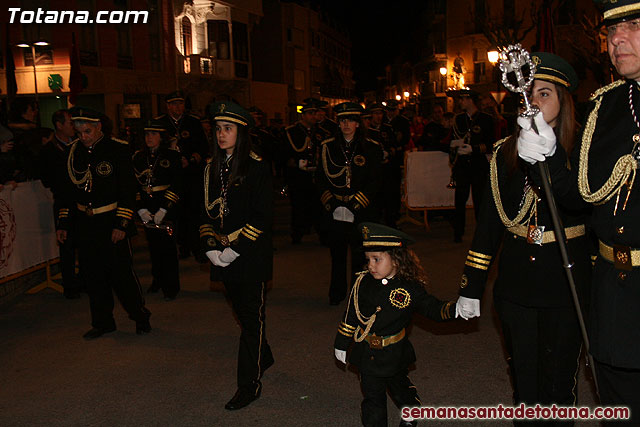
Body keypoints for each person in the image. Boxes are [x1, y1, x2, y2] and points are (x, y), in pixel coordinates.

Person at [517, 3, 640, 422]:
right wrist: (547, 156)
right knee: (618, 401)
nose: (616, 40)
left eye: (633, 26)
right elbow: (580, 198)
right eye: (611, 31)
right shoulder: (605, 107)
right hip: (612, 287)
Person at [456, 53, 591, 419]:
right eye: (527, 95)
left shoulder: (582, 152)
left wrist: (551, 159)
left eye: (544, 94)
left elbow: (584, 209)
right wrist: (472, 286)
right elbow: (488, 225)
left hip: (565, 281)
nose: (533, 102)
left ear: (564, 101)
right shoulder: (502, 154)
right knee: (524, 384)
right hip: (516, 283)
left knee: (560, 383)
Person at [334, 222, 459, 427]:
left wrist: (457, 309)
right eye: (368, 260)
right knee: (372, 398)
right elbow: (351, 315)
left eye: (377, 259)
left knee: (399, 388)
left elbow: (433, 309)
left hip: (393, 352)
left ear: (396, 259)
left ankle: (411, 409)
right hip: (367, 352)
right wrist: (341, 342)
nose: (370, 265)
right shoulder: (362, 283)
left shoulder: (409, 289)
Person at [200, 101, 274, 410]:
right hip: (220, 253)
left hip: (249, 255)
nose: (221, 134)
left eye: (227, 129)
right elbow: (202, 210)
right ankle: (263, 355)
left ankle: (249, 384)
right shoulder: (211, 167)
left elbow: (261, 216)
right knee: (243, 314)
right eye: (218, 129)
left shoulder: (256, 167)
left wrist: (234, 250)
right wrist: (209, 246)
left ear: (241, 133)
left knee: (251, 319)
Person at [56, 106, 151, 339]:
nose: (83, 137)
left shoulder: (117, 149)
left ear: (98, 127)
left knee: (121, 274)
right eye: (79, 133)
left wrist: (121, 224)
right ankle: (102, 322)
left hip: (110, 221)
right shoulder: (73, 152)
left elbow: (128, 191)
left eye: (88, 131)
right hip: (85, 224)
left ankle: (139, 316)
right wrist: (64, 223)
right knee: (92, 275)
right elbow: (67, 192)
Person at [316, 102, 383, 305]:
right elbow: (319, 178)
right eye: (342, 120)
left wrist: (357, 203)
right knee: (337, 254)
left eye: (351, 120)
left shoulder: (371, 147)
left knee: (360, 256)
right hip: (335, 208)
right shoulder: (328, 146)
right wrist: (332, 203)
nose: (346, 124)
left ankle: (358, 294)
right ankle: (336, 293)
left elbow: (376, 180)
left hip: (360, 209)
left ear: (357, 123)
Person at [155, 91, 209, 260]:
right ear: (168, 106)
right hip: (169, 176)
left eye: (180, 104)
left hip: (191, 174)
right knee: (173, 212)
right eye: (174, 104)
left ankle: (195, 246)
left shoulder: (193, 122)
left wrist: (191, 159)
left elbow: (203, 146)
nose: (177, 107)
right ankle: (180, 246)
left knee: (193, 211)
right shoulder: (160, 123)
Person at [132, 119, 182, 300]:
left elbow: (177, 184)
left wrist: (164, 209)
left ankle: (171, 285)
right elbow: (134, 185)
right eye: (146, 134)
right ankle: (157, 280)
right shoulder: (138, 157)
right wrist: (140, 209)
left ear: (162, 137)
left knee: (168, 248)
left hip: (165, 206)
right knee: (153, 247)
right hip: (147, 207)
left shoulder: (172, 156)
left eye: (153, 134)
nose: (149, 138)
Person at [40, 109, 83, 299]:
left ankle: (86, 280)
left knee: (84, 243)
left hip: (81, 201)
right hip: (64, 201)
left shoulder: (79, 145)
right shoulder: (49, 150)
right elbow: (47, 178)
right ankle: (70, 286)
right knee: (66, 244)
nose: (73, 127)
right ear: (59, 125)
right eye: (69, 123)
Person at [448, 89, 496, 242]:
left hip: (478, 165)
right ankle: (458, 232)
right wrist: (455, 147)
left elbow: (492, 144)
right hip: (462, 165)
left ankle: (482, 234)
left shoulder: (486, 119)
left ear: (470, 100)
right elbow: (454, 138)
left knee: (479, 200)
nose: (460, 102)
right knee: (459, 200)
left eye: (462, 99)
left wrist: (474, 149)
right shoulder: (459, 119)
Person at [283, 99, 325, 244]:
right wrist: (292, 161)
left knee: (318, 206)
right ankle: (297, 234)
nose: (313, 116)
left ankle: (321, 234)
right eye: (310, 113)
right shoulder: (292, 131)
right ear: (303, 115)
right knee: (299, 206)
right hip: (299, 176)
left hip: (316, 175)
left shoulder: (320, 132)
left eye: (315, 113)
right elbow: (284, 153)